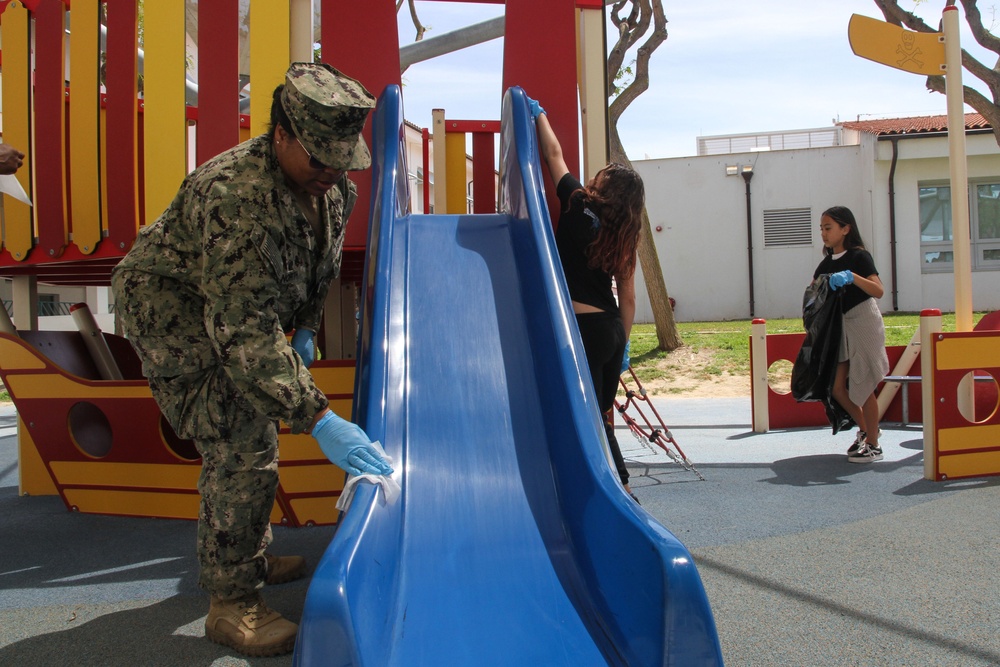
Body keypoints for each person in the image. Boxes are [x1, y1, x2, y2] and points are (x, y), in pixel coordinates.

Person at [111, 62, 393, 657]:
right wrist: (318, 417)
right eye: (320, 157)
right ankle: (232, 599)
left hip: (237, 312)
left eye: (342, 158)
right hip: (175, 315)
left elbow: (321, 263)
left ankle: (247, 553)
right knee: (241, 437)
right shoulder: (233, 197)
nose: (333, 172)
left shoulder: (332, 186)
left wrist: (310, 325)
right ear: (281, 135)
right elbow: (242, 333)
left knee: (257, 418)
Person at [529, 96, 645, 502]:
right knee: (602, 415)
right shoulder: (623, 237)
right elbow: (627, 298)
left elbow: (554, 154)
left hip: (581, 328)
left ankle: (603, 492)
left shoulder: (578, 203)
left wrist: (539, 112)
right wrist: (624, 345)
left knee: (584, 420)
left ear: (603, 187)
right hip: (611, 329)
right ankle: (624, 486)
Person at [814, 205, 889, 463]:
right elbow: (815, 294)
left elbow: (878, 291)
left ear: (846, 229)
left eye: (828, 227)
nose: (823, 233)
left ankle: (874, 445)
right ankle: (868, 430)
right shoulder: (825, 263)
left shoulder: (859, 257)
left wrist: (852, 277)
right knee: (837, 387)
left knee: (863, 384)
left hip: (863, 320)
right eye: (822, 228)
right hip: (841, 325)